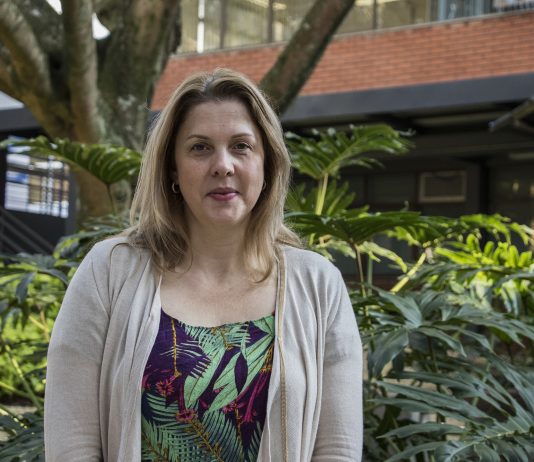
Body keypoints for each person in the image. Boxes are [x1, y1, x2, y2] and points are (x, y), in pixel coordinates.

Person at [44, 68, 363, 461]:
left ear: (267, 164)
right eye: (200, 148)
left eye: (241, 146)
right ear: (172, 168)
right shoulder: (109, 272)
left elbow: (337, 449)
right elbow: (72, 446)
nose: (223, 165)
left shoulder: (318, 285)